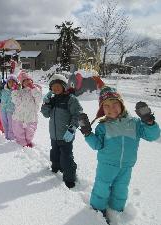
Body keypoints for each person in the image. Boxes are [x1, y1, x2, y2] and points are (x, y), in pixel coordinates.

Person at [78, 86, 160, 217]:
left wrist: (149, 122)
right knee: (102, 187)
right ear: (102, 109)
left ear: (121, 104)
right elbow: (97, 145)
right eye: (107, 106)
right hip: (106, 165)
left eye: (115, 104)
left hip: (127, 166)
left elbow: (153, 136)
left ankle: (117, 210)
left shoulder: (135, 123)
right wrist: (87, 133)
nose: (111, 109)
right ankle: (97, 211)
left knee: (121, 189)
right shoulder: (103, 126)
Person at [40, 74, 83, 189]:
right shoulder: (52, 99)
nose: (55, 89)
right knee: (54, 152)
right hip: (54, 134)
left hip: (66, 134)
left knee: (66, 157)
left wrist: (72, 128)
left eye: (58, 86)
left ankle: (69, 178)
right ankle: (56, 167)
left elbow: (78, 114)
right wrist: (46, 103)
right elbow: (45, 114)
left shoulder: (71, 99)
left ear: (64, 86)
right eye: (53, 87)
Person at [11, 70, 42, 147]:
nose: (27, 82)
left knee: (30, 132)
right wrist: (15, 90)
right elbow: (15, 101)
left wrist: (34, 89)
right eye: (25, 80)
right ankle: (22, 143)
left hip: (31, 117)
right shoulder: (20, 92)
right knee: (19, 131)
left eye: (29, 80)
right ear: (22, 83)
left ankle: (28, 141)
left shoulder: (35, 91)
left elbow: (39, 99)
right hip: (19, 116)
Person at [0, 74, 19, 140]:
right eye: (9, 82)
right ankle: (6, 136)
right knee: (4, 123)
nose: (11, 83)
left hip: (11, 110)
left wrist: (18, 89)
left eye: (13, 82)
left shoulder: (17, 91)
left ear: (16, 83)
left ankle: (11, 138)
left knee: (11, 125)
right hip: (3, 110)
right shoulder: (3, 90)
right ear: (7, 83)